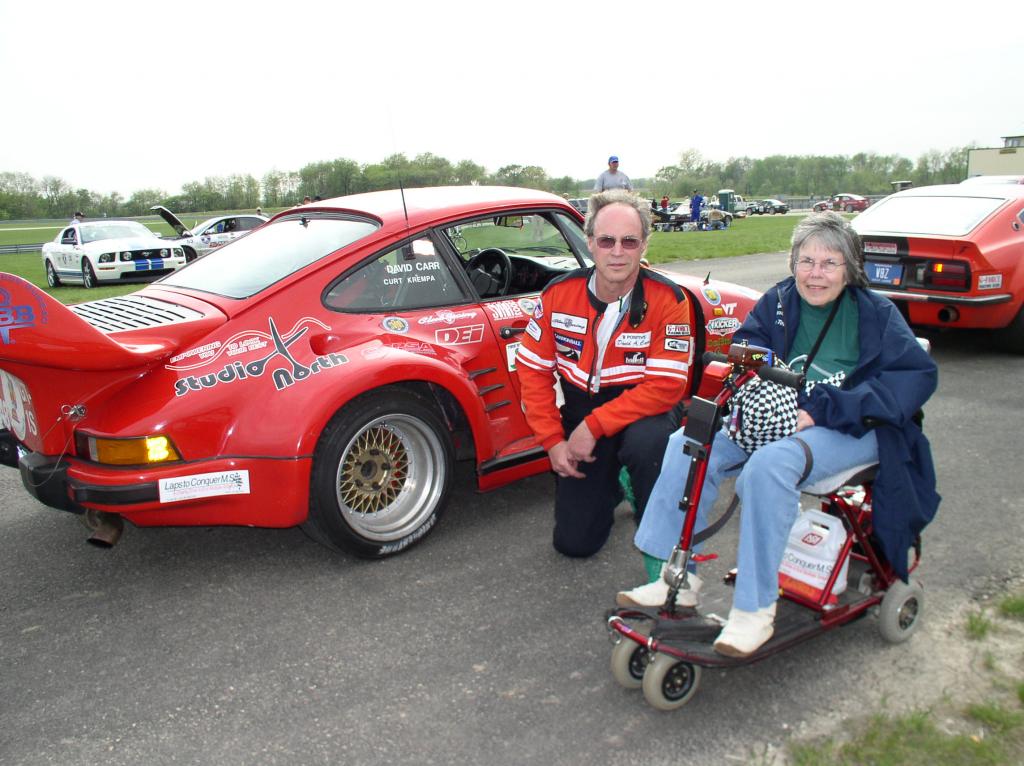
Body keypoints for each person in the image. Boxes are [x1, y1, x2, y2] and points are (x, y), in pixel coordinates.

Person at [616, 211, 939, 657]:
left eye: (829, 263)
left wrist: (824, 408)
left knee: (769, 467)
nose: (815, 273)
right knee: (688, 441)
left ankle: (755, 609)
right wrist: (755, 379)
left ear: (849, 268)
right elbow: (749, 349)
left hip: (853, 425)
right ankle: (677, 578)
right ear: (793, 263)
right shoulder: (780, 301)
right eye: (806, 261)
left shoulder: (875, 314)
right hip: (782, 414)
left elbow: (914, 378)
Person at [516, 189, 696, 557]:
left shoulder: (669, 299)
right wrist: (553, 441)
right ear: (590, 243)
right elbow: (532, 372)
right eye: (606, 240)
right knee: (574, 544)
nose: (617, 251)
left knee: (648, 444)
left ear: (644, 245)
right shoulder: (557, 294)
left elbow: (666, 387)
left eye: (629, 241)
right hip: (582, 405)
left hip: (645, 410)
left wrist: (592, 427)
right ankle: (612, 485)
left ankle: (659, 534)